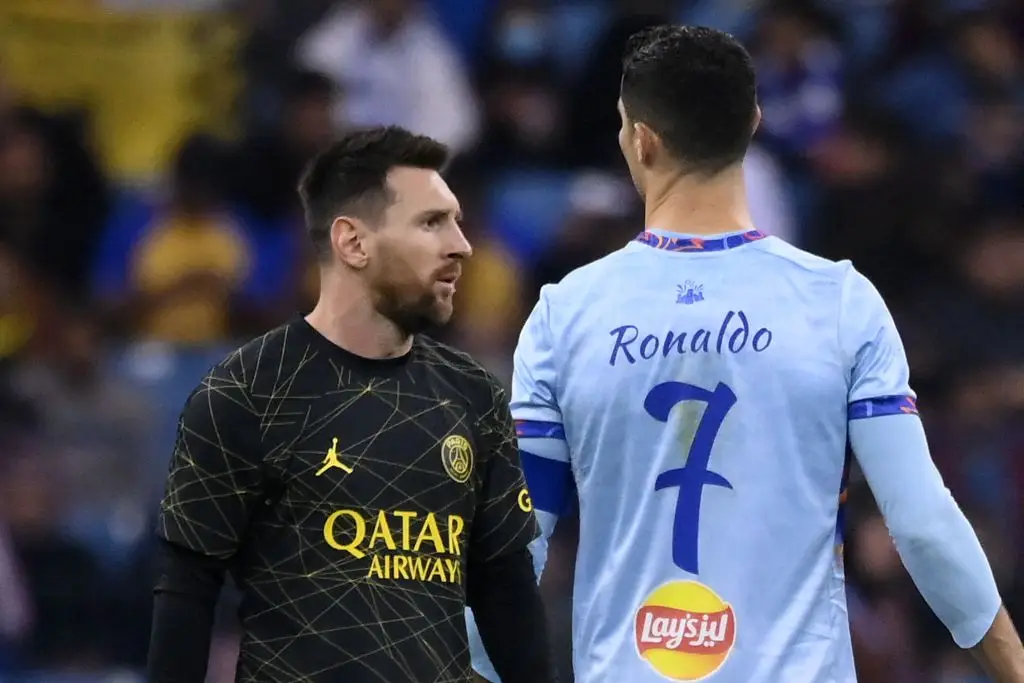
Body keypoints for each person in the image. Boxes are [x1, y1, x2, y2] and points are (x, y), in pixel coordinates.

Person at [468, 25, 1024, 683]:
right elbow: (925, 525)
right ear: (755, 122)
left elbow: (516, 547)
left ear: (639, 139)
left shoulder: (566, 314)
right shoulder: (838, 303)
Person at [148, 126, 556, 683]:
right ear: (353, 242)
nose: (461, 244)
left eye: (456, 221)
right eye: (432, 222)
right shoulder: (244, 393)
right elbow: (187, 593)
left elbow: (505, 589)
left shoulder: (474, 394)